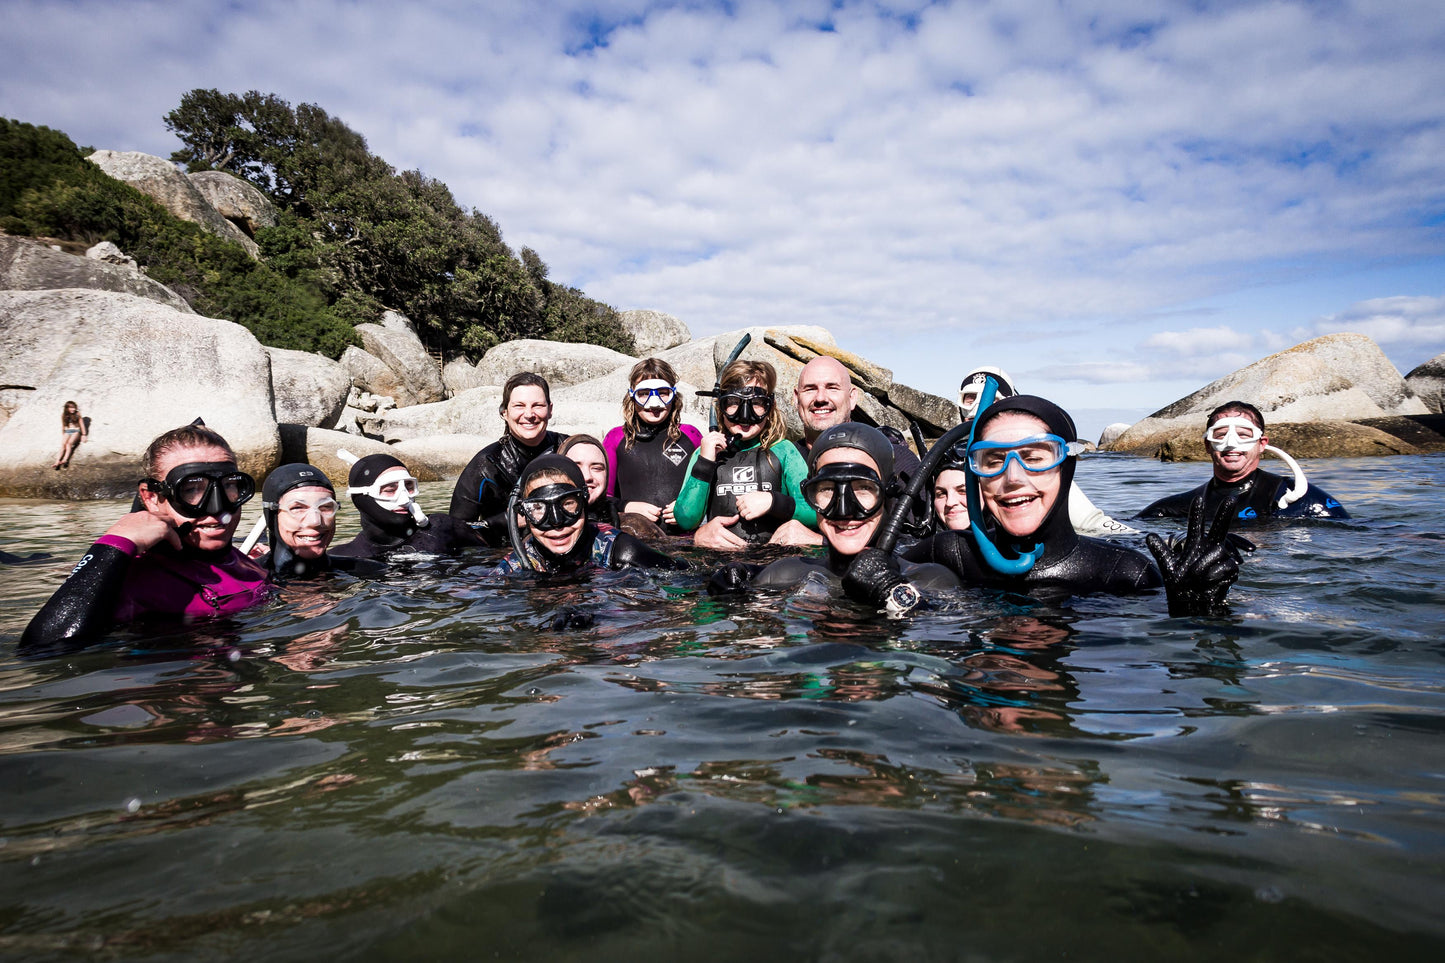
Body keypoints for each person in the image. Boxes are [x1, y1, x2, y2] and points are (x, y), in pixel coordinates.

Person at [903, 395, 1247, 615]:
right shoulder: (948, 552)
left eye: (1034, 457)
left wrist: (1198, 612)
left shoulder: (1125, 572)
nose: (1013, 478)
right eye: (992, 460)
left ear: (1067, 466)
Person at [21, 424, 271, 651]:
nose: (217, 508)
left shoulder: (243, 563)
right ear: (151, 497)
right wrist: (114, 544)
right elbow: (43, 651)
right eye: (192, 489)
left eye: (229, 486)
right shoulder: (132, 579)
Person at [709, 423, 959, 612]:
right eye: (827, 489)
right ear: (810, 495)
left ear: (888, 493)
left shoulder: (932, 580)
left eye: (863, 488)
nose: (844, 509)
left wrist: (897, 597)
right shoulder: (781, 575)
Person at [758, 356, 927, 549]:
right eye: (810, 389)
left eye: (832, 387)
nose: (820, 398)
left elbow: (914, 546)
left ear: (852, 397)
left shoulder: (895, 458)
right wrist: (715, 530)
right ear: (796, 398)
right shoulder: (777, 460)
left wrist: (820, 543)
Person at [956, 366, 1137, 537]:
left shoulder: (1041, 473)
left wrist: (1138, 538)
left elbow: (1093, 522)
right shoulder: (943, 465)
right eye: (970, 398)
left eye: (1032, 458)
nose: (1013, 477)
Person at [674, 359, 816, 550]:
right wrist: (705, 462)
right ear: (720, 408)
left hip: (771, 564)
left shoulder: (783, 450)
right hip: (718, 564)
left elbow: (816, 513)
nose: (745, 414)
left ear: (770, 407)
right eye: (733, 403)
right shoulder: (706, 454)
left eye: (757, 403)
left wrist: (774, 502)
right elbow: (685, 519)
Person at [1138, 401, 1348, 521]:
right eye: (1220, 435)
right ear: (1207, 445)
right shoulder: (1176, 508)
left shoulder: (1301, 498)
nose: (1231, 444)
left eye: (1243, 435)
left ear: (1262, 443)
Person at [494, 454, 682, 575]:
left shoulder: (616, 548)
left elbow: (685, 576)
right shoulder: (516, 565)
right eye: (539, 509)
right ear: (523, 514)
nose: (557, 523)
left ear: (584, 503)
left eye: (568, 505)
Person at [450, 372, 563, 544]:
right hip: (503, 555)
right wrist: (509, 519)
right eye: (519, 406)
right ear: (504, 412)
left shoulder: (568, 448)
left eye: (538, 405)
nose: (529, 414)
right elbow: (454, 528)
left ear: (550, 410)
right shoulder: (487, 464)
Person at [602, 358, 702, 534]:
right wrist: (627, 506)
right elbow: (601, 497)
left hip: (685, 540)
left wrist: (688, 505)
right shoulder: (616, 438)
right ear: (632, 396)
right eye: (644, 393)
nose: (654, 403)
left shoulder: (691, 436)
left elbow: (709, 488)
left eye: (663, 393)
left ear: (673, 395)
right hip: (635, 541)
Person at [246, 463, 386, 579]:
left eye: (326, 507)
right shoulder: (244, 581)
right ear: (272, 515)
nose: (315, 521)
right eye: (298, 508)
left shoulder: (371, 571)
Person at [332, 454, 484, 559]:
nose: (405, 499)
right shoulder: (343, 557)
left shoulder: (442, 527)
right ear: (360, 498)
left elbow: (493, 556)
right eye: (390, 490)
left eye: (409, 487)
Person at [559, 433, 622, 528]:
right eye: (576, 467)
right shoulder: (538, 524)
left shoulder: (629, 526)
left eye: (597, 468)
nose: (587, 477)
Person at [53, 400, 86, 470]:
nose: (73, 409)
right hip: (68, 430)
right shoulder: (64, 415)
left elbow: (82, 425)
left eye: (74, 407)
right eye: (71, 408)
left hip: (76, 430)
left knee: (69, 444)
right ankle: (57, 461)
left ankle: (65, 460)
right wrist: (64, 434)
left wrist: (84, 435)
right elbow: (63, 425)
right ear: (67, 408)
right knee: (63, 444)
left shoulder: (78, 414)